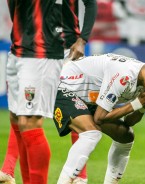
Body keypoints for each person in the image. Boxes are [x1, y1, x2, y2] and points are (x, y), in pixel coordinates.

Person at [1, 0, 97, 184]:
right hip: (22, 46)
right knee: (20, 116)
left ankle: (80, 176)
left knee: (73, 109)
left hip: (60, 48)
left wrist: (83, 39)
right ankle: (8, 171)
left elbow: (90, 3)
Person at [53, 53, 145, 183]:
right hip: (63, 86)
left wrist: (144, 106)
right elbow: (99, 118)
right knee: (91, 134)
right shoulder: (124, 76)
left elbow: (129, 122)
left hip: (90, 99)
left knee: (126, 135)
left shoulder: (144, 81)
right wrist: (138, 103)